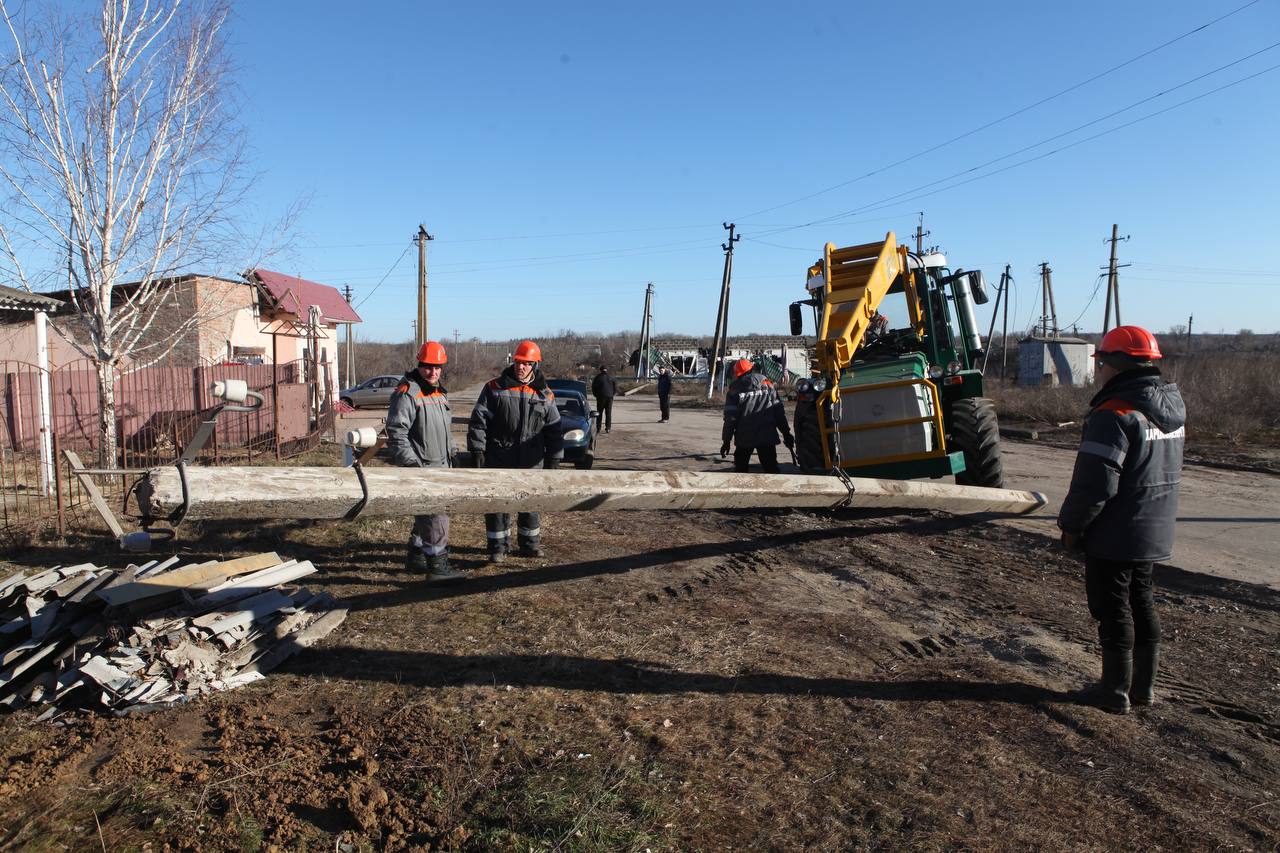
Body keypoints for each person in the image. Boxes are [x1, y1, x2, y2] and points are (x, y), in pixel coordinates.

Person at [1058, 325, 1185, 714]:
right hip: (1153, 529)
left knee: (1112, 608)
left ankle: (1113, 692)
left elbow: (1095, 484)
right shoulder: (1172, 409)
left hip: (1114, 532)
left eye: (1099, 363)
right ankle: (1142, 690)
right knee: (1141, 601)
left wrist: (1073, 526)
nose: (1097, 371)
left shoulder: (1114, 413)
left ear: (1112, 364)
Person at [468, 340, 564, 562]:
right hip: (499, 457)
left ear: (535, 365)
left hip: (531, 461)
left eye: (526, 364)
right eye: (518, 362)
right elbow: (478, 422)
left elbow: (554, 429)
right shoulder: (494, 388)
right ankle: (498, 547)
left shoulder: (545, 394)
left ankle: (529, 545)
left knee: (530, 503)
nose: (520, 367)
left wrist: (554, 458)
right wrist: (478, 450)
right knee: (498, 504)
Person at [385, 340, 465, 583]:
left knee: (425, 515)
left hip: (442, 464)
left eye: (437, 367)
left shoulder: (439, 393)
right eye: (428, 367)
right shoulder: (408, 393)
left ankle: (416, 557)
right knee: (436, 517)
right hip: (422, 467)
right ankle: (438, 566)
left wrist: (454, 454)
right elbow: (397, 432)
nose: (433, 372)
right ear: (419, 365)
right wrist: (411, 466)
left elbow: (445, 430)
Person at [720, 358, 794, 474]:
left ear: (737, 373)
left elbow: (730, 419)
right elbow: (778, 411)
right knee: (771, 470)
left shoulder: (734, 390)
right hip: (767, 435)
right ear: (751, 369)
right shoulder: (767, 383)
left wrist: (726, 441)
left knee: (740, 471)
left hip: (745, 437)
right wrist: (786, 433)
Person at [591, 365, 617, 433]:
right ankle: (608, 428)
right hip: (609, 398)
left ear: (600, 370)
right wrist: (612, 394)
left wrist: (596, 395)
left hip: (600, 397)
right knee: (608, 413)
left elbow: (593, 388)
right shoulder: (611, 377)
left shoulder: (597, 377)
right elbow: (615, 387)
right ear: (606, 370)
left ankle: (598, 428)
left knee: (599, 413)